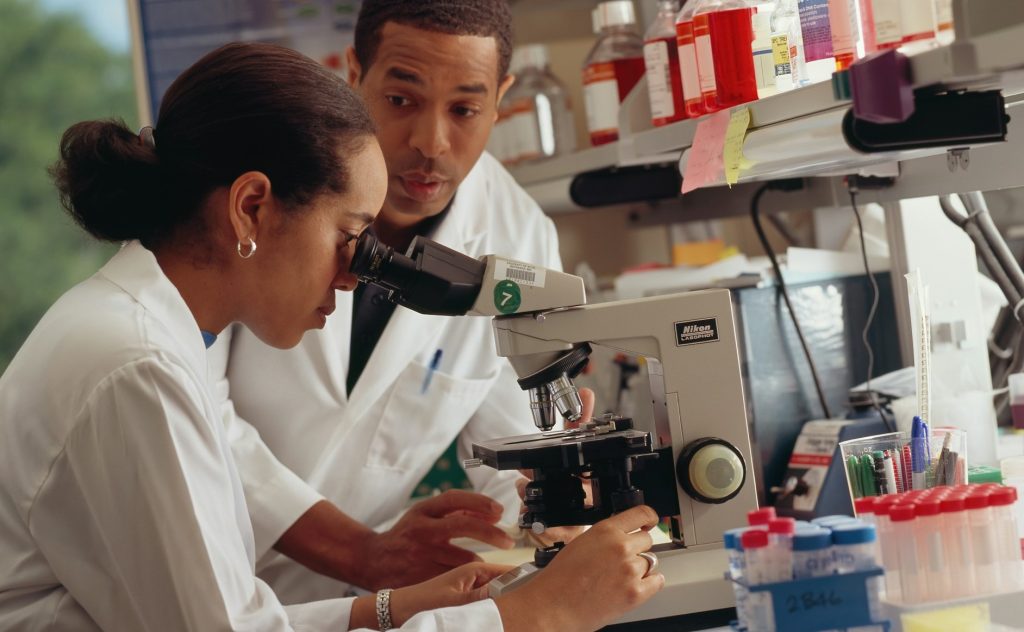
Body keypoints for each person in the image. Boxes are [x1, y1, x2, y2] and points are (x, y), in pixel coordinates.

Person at [0, 42, 664, 631]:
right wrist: (536, 615)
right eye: (349, 236)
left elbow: (234, 619)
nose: (356, 275)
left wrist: (396, 606)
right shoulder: (137, 366)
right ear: (251, 207)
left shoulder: (140, 330)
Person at [209, 0, 578, 603]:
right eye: (402, 100)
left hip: (343, 600)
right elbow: (190, 402)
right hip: (190, 560)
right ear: (355, 74)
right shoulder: (265, 186)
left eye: (465, 108)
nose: (431, 143)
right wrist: (358, 550)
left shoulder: (520, 238)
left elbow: (516, 450)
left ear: (501, 97)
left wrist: (557, 495)